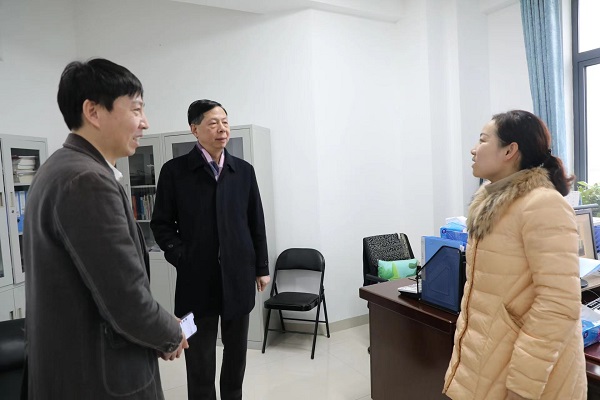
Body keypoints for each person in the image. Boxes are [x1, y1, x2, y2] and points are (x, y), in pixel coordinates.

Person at [22, 58, 188, 399]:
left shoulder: (60, 167)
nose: (145, 122)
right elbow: (125, 299)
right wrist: (171, 334)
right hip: (99, 378)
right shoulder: (87, 181)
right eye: (136, 109)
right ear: (93, 111)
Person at [443, 110, 587, 399]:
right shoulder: (495, 203)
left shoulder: (543, 204)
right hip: (491, 361)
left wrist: (522, 387)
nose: (473, 149)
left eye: (483, 140)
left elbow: (558, 305)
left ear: (510, 150)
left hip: (530, 380)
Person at [151, 99, 270, 400]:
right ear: (194, 129)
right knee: (198, 359)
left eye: (225, 122)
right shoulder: (174, 171)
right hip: (195, 284)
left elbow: (256, 221)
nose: (222, 129)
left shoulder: (243, 171)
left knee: (236, 356)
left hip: (238, 279)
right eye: (213, 123)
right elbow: (161, 224)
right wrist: (182, 256)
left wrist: (261, 268)